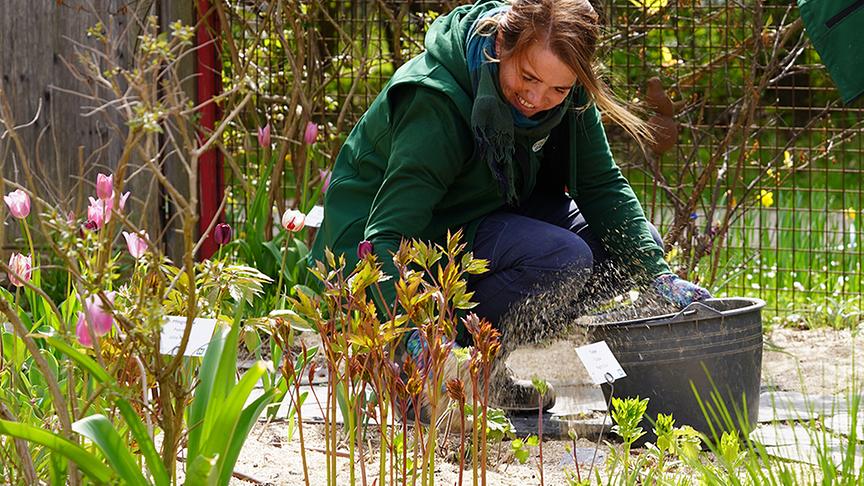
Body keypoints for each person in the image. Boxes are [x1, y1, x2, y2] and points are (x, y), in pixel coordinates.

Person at [309, 0, 711, 414]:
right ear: (501, 44)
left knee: (624, 251)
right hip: (387, 244)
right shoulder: (434, 99)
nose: (537, 98)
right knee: (562, 258)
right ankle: (425, 377)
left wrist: (659, 275)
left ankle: (484, 374)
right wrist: (415, 335)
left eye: (558, 88)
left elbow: (602, 186)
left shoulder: (569, 99)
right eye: (528, 77)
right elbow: (386, 235)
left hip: (477, 212)